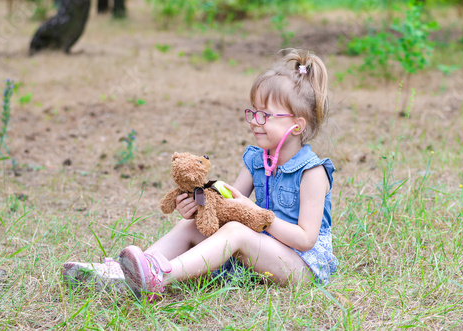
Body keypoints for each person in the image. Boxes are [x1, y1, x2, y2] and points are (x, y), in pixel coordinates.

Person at [117, 48, 339, 302]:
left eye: (264, 115)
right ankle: (125, 273)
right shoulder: (257, 159)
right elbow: (227, 206)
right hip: (263, 251)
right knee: (191, 226)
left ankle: (159, 276)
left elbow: (306, 239)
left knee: (236, 231)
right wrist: (199, 204)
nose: (255, 121)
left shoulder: (312, 172)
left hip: (301, 266)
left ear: (297, 125)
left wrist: (259, 217)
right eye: (253, 112)